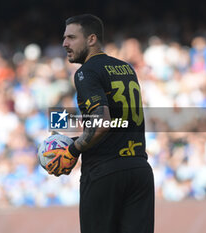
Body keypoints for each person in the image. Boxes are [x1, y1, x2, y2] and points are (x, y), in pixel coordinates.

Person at [43, 14, 154, 233]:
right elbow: (120, 122)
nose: (65, 43)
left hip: (105, 172)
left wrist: (73, 150)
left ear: (92, 39)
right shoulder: (126, 69)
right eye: (64, 38)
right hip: (139, 169)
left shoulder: (87, 72)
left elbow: (102, 123)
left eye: (72, 37)